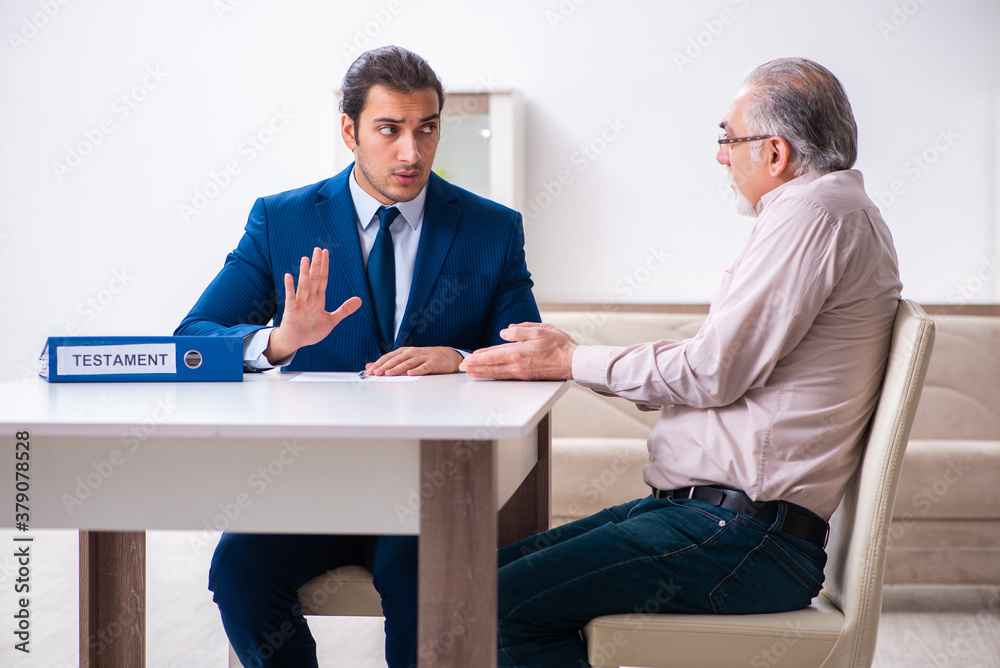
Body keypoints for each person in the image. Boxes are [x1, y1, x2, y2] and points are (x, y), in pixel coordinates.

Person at [460, 57, 903, 667]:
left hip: (742, 538)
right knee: (471, 581)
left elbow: (712, 370)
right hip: (716, 521)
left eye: (728, 138)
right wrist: (574, 358)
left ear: (775, 153)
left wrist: (570, 360)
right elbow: (718, 365)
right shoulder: (826, 212)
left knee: (492, 600)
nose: (721, 156)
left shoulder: (813, 214)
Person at [175, 45, 540, 668]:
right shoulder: (281, 220)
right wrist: (278, 342)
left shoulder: (491, 228)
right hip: (312, 479)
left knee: (423, 576)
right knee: (239, 569)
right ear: (350, 131)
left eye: (427, 129)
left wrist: (459, 357)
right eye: (389, 130)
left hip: (427, 488)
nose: (412, 152)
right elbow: (192, 339)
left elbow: (527, 352)